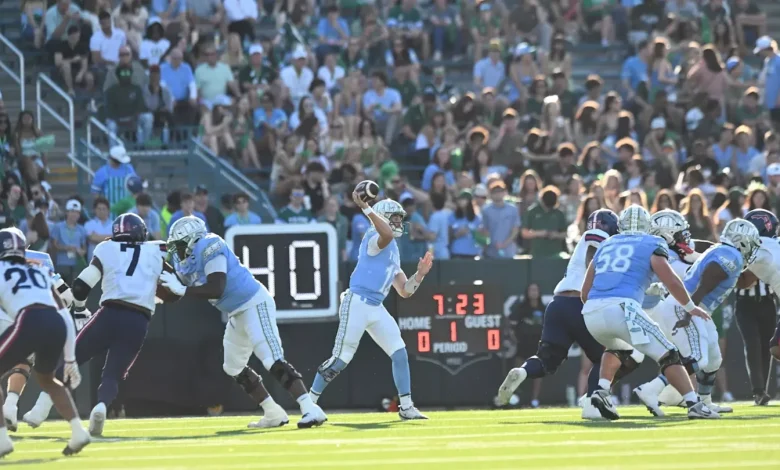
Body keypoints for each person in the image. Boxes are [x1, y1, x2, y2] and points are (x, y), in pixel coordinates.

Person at [159, 216, 327, 428]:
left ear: (193, 240)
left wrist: (182, 289)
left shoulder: (209, 245)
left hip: (253, 302)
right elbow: (176, 291)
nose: (178, 252)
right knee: (233, 367)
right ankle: (273, 412)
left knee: (271, 358)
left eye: (181, 245)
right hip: (236, 312)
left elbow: (216, 287)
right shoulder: (184, 262)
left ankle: (311, 408)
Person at [23, 214, 161, 437]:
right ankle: (102, 406)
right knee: (112, 374)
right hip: (139, 319)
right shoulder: (157, 251)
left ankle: (39, 411)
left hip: (109, 313)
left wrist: (79, 309)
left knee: (72, 360)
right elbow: (175, 286)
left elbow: (80, 287)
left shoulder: (106, 249)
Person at [498, 210, 641, 419]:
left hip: (558, 304)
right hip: (580, 303)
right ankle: (592, 403)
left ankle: (524, 372)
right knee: (607, 356)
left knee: (547, 360)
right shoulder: (596, 236)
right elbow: (593, 259)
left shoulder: (589, 240)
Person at [580, 205, 717, 420]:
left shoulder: (606, 244)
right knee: (669, 354)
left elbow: (585, 292)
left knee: (618, 347)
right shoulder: (652, 242)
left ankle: (602, 390)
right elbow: (670, 280)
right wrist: (691, 307)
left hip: (591, 313)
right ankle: (694, 404)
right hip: (622, 307)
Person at [309, 195, 432, 420]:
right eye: (393, 218)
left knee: (400, 353)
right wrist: (366, 207)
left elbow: (405, 290)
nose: (398, 223)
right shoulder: (374, 235)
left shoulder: (393, 246)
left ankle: (405, 406)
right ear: (382, 218)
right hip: (357, 302)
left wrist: (420, 275)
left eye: (399, 218)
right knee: (340, 360)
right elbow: (384, 232)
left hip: (376, 306)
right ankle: (310, 403)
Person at [635, 213, 759, 415]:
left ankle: (705, 400)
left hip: (694, 306)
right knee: (698, 358)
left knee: (713, 358)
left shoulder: (726, 251)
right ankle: (652, 389)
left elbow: (741, 281)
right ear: (742, 241)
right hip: (686, 306)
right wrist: (689, 310)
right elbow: (709, 277)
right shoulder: (731, 256)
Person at [0, 229, 89, 456]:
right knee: (48, 380)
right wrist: (70, 358)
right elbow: (65, 313)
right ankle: (79, 431)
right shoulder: (40, 272)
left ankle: (2, 439)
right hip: (56, 323)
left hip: (29, 319)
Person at [734, 209, 780, 405]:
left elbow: (744, 281)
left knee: (774, 348)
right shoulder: (773, 244)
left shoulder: (759, 249)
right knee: (774, 347)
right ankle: (759, 390)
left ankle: (760, 391)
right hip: (747, 304)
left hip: (766, 301)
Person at [50, 199, 87, 284]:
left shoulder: (82, 229)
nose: (74, 214)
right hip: (61, 263)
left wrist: (81, 252)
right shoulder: (58, 227)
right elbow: (54, 245)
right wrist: (66, 248)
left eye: (77, 212)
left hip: (75, 264)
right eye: (72, 211)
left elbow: (84, 248)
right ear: (67, 212)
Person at [91, 146, 137, 214]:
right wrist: (102, 210)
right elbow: (95, 193)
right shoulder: (102, 172)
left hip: (129, 209)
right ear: (112, 159)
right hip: (110, 211)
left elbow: (136, 187)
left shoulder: (129, 169)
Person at [84, 197, 113, 261]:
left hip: (110, 260)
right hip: (93, 260)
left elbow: (116, 239)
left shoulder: (114, 224)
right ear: (95, 210)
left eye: (104, 209)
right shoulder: (88, 224)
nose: (101, 211)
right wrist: (110, 237)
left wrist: (98, 237)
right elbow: (92, 238)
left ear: (108, 210)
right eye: (99, 209)